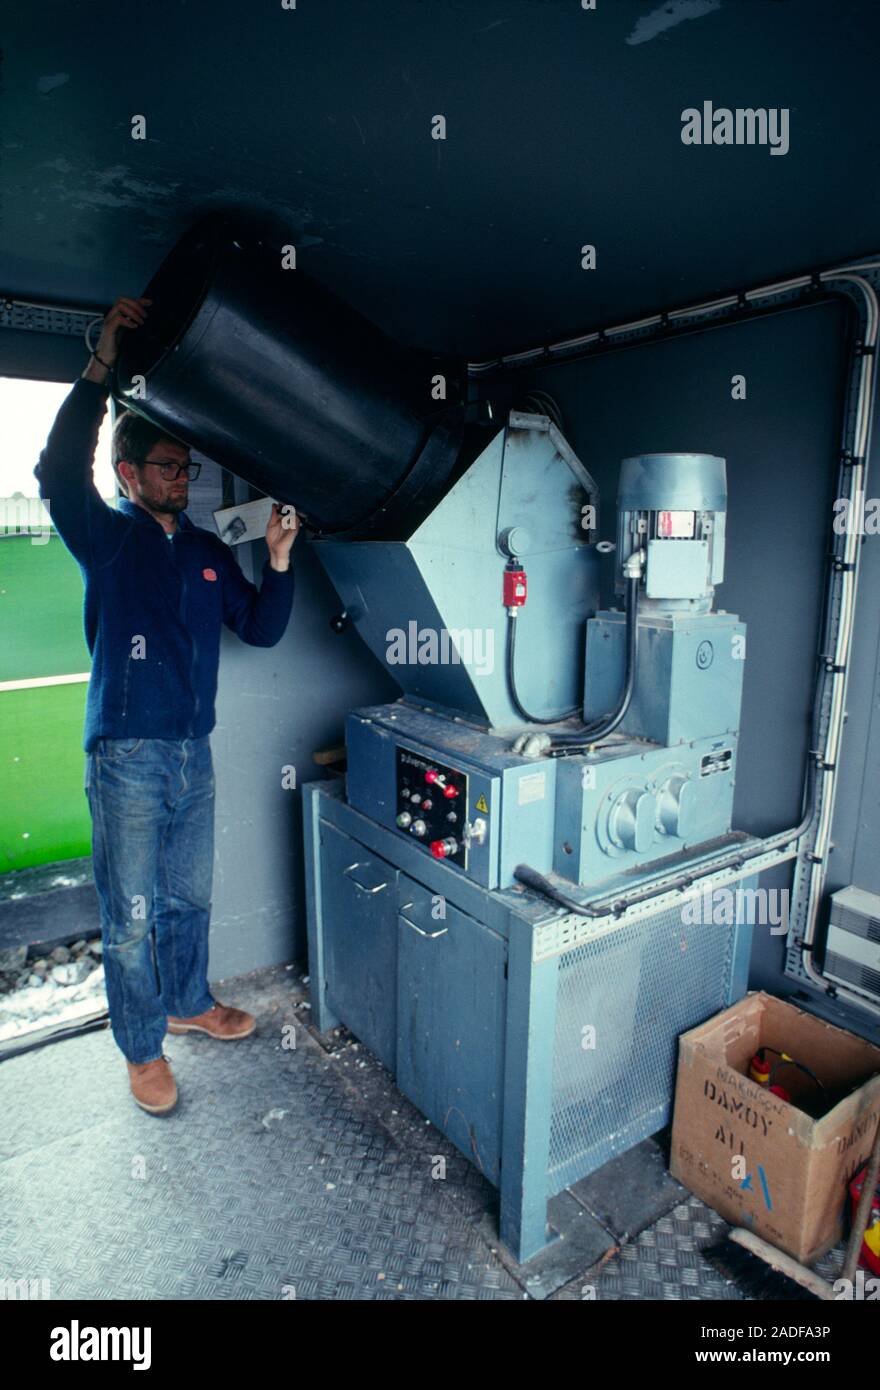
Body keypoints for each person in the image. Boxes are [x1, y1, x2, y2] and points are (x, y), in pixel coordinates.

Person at [34, 295, 299, 1116]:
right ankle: (141, 1048)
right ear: (129, 475)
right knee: (129, 914)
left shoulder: (208, 552)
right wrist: (103, 358)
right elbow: (54, 466)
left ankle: (188, 1003)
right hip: (127, 755)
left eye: (188, 468)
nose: (185, 479)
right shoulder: (104, 535)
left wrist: (281, 561)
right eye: (170, 468)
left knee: (189, 898)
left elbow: (260, 628)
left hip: (195, 753)